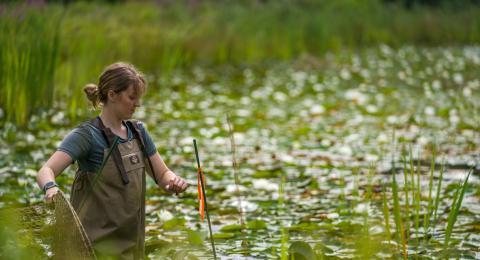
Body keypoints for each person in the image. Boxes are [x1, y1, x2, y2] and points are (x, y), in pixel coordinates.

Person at [36, 62, 189, 259]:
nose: (137, 104)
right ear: (112, 94)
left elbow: (162, 175)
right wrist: (51, 188)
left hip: (132, 249)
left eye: (138, 98)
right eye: (131, 97)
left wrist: (174, 182)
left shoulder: (139, 132)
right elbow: (45, 170)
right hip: (91, 251)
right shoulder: (86, 135)